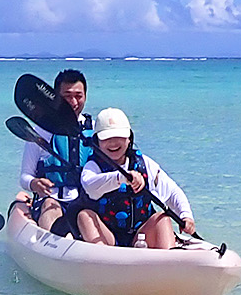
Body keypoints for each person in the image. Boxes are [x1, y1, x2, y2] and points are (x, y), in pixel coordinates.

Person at [76, 108, 197, 249]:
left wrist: (185, 215)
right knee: (84, 216)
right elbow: (90, 187)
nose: (113, 143)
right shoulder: (92, 166)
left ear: (129, 139)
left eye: (119, 137)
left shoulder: (144, 163)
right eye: (107, 138)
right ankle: (104, 261)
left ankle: (168, 262)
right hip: (107, 237)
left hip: (141, 234)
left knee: (163, 218)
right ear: (97, 141)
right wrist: (122, 177)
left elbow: (171, 192)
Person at [17, 68, 94, 236]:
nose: (73, 102)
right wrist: (34, 184)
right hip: (52, 200)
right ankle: (51, 248)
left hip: (86, 202)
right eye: (67, 97)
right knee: (50, 206)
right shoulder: (42, 132)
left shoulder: (95, 130)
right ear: (56, 99)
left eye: (78, 96)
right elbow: (25, 176)